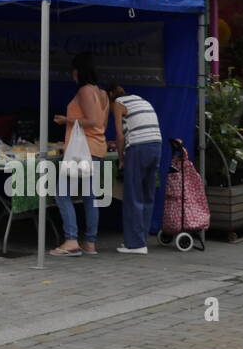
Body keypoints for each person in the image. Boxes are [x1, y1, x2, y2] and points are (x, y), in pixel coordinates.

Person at [50, 52, 110, 256]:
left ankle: (71, 239)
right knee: (89, 196)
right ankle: (90, 242)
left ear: (79, 70)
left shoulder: (84, 91)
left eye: (73, 69)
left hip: (82, 150)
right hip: (97, 148)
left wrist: (65, 120)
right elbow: (102, 124)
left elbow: (91, 121)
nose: (72, 73)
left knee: (62, 193)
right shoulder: (102, 93)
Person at [108, 84, 163, 254]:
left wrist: (121, 157)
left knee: (133, 195)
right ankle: (142, 239)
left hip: (138, 148)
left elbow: (119, 134)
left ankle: (135, 244)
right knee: (148, 195)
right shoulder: (141, 100)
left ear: (111, 96)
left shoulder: (117, 103)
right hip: (156, 146)